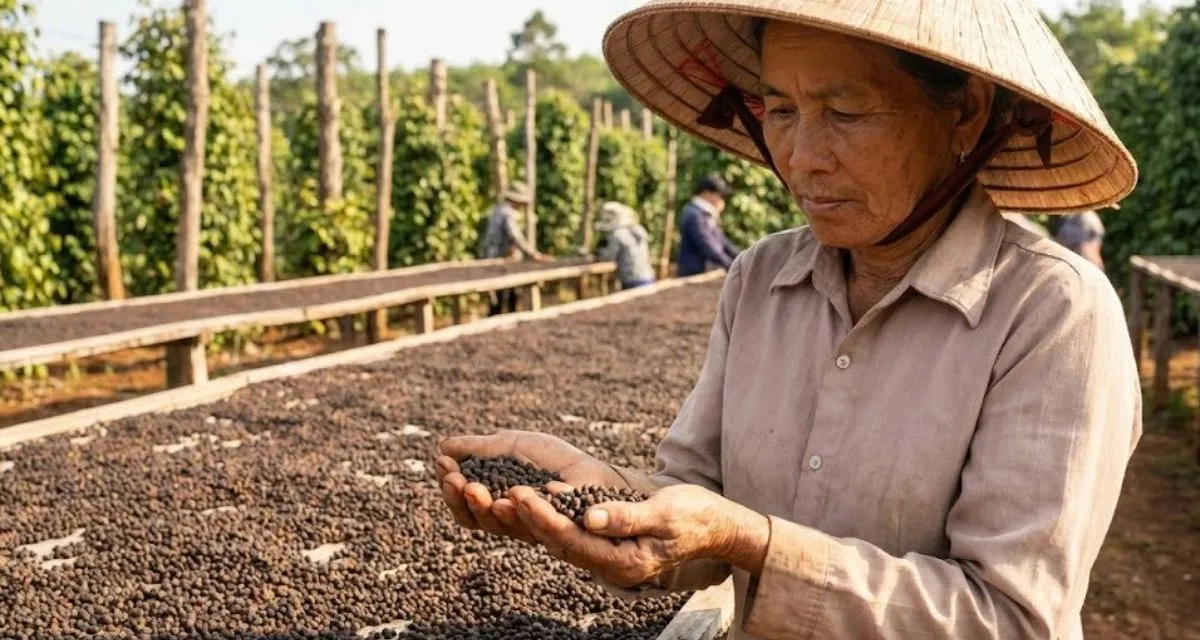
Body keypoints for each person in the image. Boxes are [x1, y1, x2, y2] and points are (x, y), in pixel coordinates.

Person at [438, 2, 1141, 639]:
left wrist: (757, 544)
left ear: (965, 112)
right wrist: (603, 498)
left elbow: (1013, 620)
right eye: (780, 111)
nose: (801, 158)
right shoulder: (761, 279)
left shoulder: (1053, 313)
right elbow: (695, 499)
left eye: (845, 113)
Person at [479, 181, 546, 316]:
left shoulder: (496, 210)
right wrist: (532, 253)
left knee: (497, 297)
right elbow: (515, 236)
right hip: (500, 260)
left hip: (491, 258)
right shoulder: (507, 214)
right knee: (507, 297)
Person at [677, 174, 740, 276]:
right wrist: (731, 266)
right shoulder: (694, 214)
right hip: (693, 274)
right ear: (706, 193)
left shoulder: (705, 214)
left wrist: (743, 258)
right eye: (719, 195)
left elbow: (723, 242)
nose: (721, 200)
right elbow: (708, 246)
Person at [596, 201, 656, 289]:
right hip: (648, 277)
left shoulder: (617, 235)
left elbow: (609, 257)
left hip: (631, 280)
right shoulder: (638, 230)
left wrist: (600, 252)